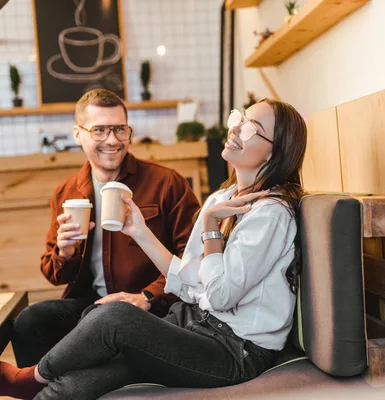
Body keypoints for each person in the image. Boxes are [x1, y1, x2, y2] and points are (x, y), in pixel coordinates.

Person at [0, 98, 307, 400]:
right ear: (79, 134)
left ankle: (30, 377)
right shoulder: (220, 199)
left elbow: (219, 295)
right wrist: (139, 230)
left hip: (234, 349)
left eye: (250, 128)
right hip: (193, 321)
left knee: (114, 317)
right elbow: (190, 284)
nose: (236, 129)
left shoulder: (270, 214)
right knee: (80, 381)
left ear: (275, 152)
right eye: (237, 119)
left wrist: (210, 228)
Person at [11, 89, 200, 368]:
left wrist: (149, 296)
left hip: (152, 305)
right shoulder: (66, 193)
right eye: (99, 130)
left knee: (95, 321)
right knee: (28, 322)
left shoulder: (167, 183)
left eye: (119, 130)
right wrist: (65, 253)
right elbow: (53, 274)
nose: (112, 140)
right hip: (94, 303)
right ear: (78, 134)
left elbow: (194, 260)